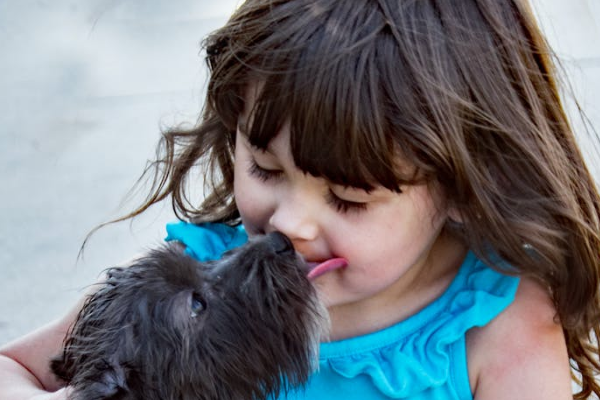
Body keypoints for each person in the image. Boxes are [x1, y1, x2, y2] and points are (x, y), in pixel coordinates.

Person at [1, 0, 599, 399]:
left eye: (347, 199)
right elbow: (17, 369)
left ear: (466, 189)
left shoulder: (499, 326)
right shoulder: (193, 281)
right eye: (264, 167)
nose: (288, 223)